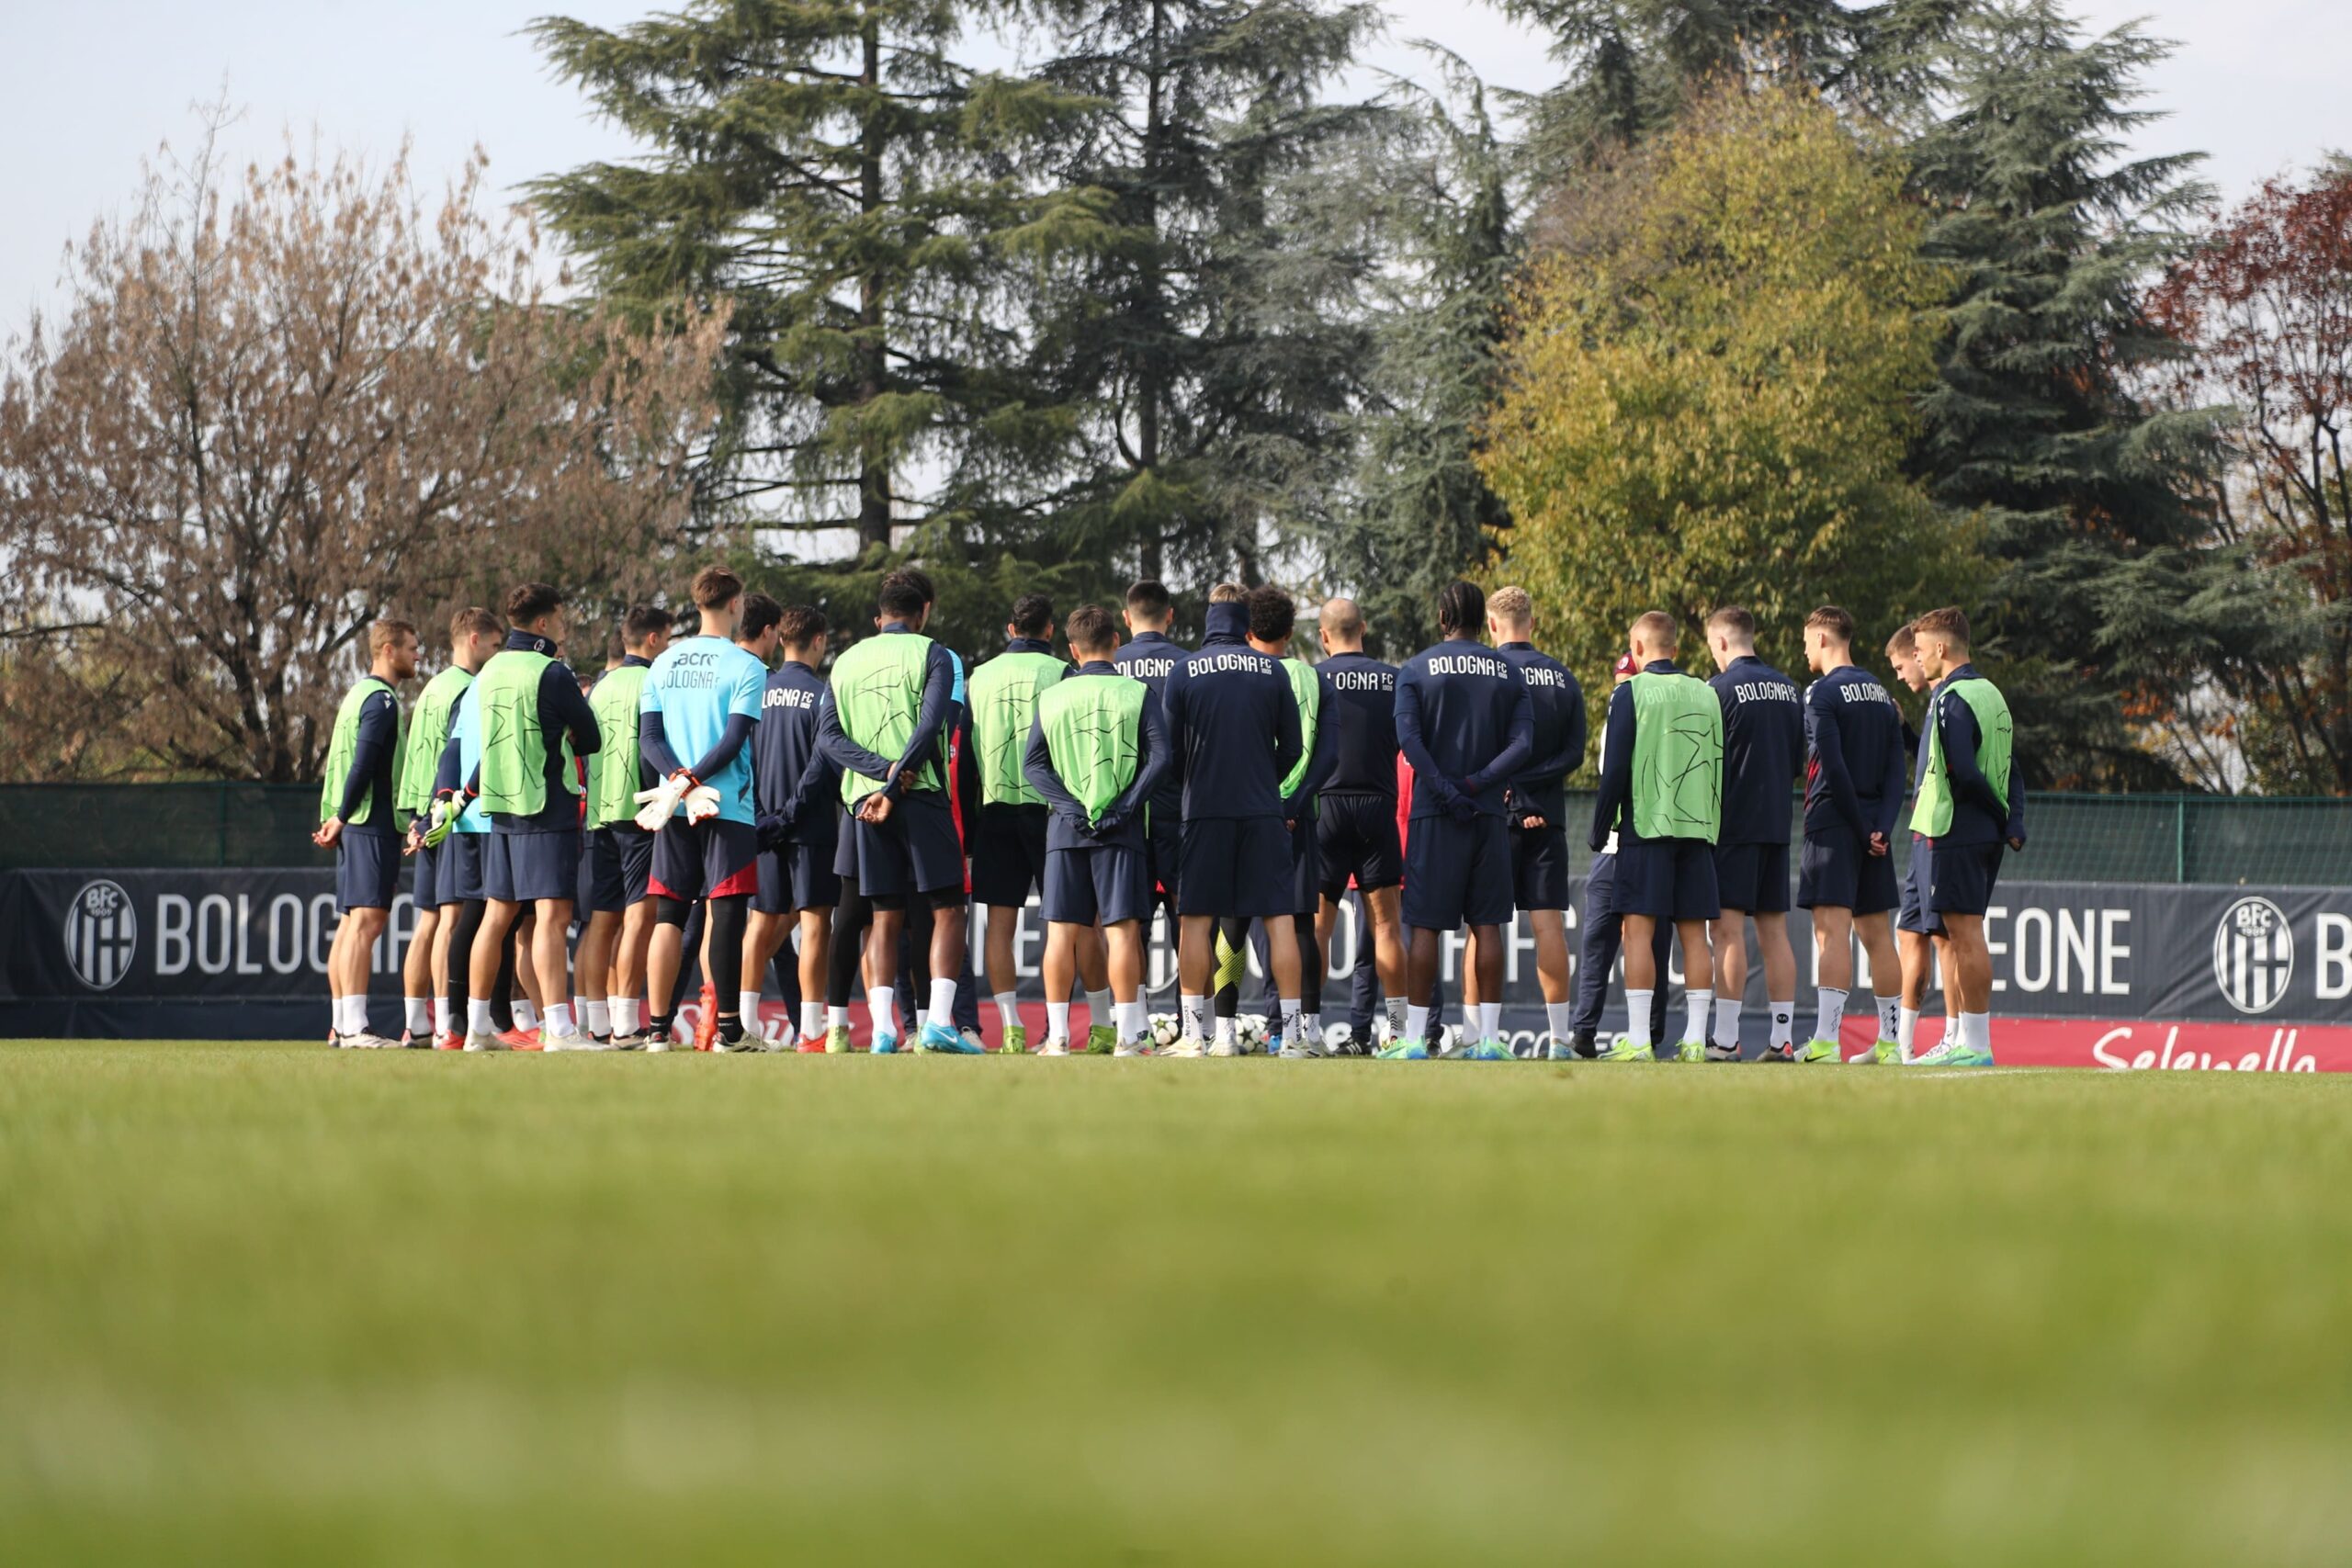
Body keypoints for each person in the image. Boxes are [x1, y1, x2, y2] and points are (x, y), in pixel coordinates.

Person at [819, 572, 977, 1053]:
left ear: (880, 616)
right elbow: (932, 726)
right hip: (920, 795)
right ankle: (939, 1023)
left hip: (865, 806)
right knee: (948, 909)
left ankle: (884, 1030)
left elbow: (827, 738)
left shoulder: (844, 661)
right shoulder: (935, 654)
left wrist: (877, 776)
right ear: (922, 612)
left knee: (884, 917)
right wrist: (895, 776)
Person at [1386, 581, 1533, 1061]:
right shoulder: (1509, 673)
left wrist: (1448, 789)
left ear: (1443, 619)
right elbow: (1522, 745)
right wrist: (1477, 785)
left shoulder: (1415, 668)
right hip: (1487, 812)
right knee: (1487, 925)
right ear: (1484, 621)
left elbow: (1409, 743)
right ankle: (1486, 1040)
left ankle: (1412, 1041)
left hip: (1434, 813)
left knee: (1425, 927)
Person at [455, 583, 602, 1051]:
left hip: (498, 806)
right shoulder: (552, 672)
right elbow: (591, 736)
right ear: (543, 624)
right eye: (559, 619)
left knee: (496, 917)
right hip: (546, 805)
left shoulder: (490, 670)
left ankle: (477, 1027)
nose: (562, 627)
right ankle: (559, 1029)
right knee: (552, 918)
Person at [1023, 604, 1172, 1055]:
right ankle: (1129, 1038)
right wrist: (1124, 807)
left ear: (1072, 649)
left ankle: (1059, 1038)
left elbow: (1033, 765)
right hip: (1121, 830)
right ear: (1116, 643)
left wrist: (1070, 809)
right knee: (1122, 931)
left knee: (1061, 934)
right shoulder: (1137, 691)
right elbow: (1161, 758)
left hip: (1066, 832)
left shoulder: (1052, 696)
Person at [1163, 584, 1302, 1056]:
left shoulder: (1184, 672)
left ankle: (1196, 1036)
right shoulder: (1272, 670)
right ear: (1245, 622)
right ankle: (1296, 1038)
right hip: (1263, 810)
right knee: (1280, 921)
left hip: (1204, 811)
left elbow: (1169, 749)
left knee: (1197, 923)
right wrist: (1266, 780)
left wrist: (1193, 783)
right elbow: (1295, 748)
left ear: (1208, 620)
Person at [633, 568, 768, 1049]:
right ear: (737, 604)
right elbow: (733, 741)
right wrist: (692, 783)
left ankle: (655, 1031)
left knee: (669, 914)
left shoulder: (662, 664)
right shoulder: (748, 666)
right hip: (725, 805)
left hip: (672, 806)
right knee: (726, 913)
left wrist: (677, 784)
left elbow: (649, 739)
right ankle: (729, 1029)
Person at [1589, 612, 1722, 1063]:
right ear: (1677, 650)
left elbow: (1617, 766)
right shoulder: (1707, 692)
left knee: (1638, 934)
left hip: (1647, 826)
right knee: (1695, 937)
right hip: (1698, 828)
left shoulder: (1631, 691)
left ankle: (1640, 1041)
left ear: (1638, 648)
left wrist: (1601, 824)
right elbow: (1717, 763)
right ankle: (1697, 1042)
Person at [967, 594, 1092, 1052]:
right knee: (1072, 922)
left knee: (1000, 926)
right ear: (1050, 630)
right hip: (1052, 810)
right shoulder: (1062, 672)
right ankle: (1079, 1025)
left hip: (994, 809)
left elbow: (964, 757)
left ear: (1009, 629)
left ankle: (1011, 1027)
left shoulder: (978, 677)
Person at [1905, 607, 2025, 1067]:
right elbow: (2013, 767)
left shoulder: (1951, 697)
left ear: (1941, 648)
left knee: (1965, 935)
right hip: (1983, 833)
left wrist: (1998, 810)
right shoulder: (1992, 694)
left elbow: (1963, 771)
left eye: (1919, 649)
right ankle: (1967, 1042)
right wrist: (2011, 820)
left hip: (1953, 827)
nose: (1917, 658)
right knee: (1963, 934)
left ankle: (1974, 1045)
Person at [1795, 605, 1908, 1065]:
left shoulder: (1822, 692)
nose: (1804, 649)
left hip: (1835, 823)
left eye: (1806, 640)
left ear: (1823, 638)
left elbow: (1833, 766)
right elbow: (1896, 767)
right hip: (1873, 827)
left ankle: (1825, 1041)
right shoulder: (1882, 694)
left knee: (1831, 932)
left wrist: (1862, 830)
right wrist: (1881, 826)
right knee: (1879, 935)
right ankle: (1890, 1044)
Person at [1487, 586, 1587, 1057]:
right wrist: (1533, 787)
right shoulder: (1564, 678)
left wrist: (1510, 786)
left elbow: (1482, 747)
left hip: (1496, 813)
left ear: (1492, 625)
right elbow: (1574, 753)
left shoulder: (1490, 674)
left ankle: (1480, 1036)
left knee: (1484, 927)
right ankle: (1560, 1039)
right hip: (1548, 817)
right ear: (1534, 622)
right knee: (1550, 928)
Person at [1701, 607, 1803, 1061]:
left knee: (1725, 932)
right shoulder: (1789, 689)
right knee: (1774, 933)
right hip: (1777, 826)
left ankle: (1725, 1039)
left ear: (1721, 643)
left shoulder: (1717, 690)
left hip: (1732, 826)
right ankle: (1782, 1039)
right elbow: (1799, 763)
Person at [397, 606, 500, 1048]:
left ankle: (416, 1023)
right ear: (474, 639)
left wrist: (416, 815)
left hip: (425, 809)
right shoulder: (469, 688)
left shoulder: (432, 687)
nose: (498, 654)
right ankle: (447, 1025)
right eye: (495, 644)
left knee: (428, 922)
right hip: (453, 814)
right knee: (452, 919)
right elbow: (455, 755)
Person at [312, 618, 418, 1048]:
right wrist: (343, 814)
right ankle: (355, 1026)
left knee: (351, 923)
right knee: (367, 923)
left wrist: (338, 815)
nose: (418, 655)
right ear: (388, 650)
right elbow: (364, 762)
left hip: (356, 822)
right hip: (370, 821)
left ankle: (341, 1024)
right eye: (412, 647)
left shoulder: (357, 694)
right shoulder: (382, 701)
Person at [1244, 585, 1337, 1056]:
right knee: (1300, 923)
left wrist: (1268, 802)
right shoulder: (1313, 677)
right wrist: (1297, 802)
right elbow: (1327, 752)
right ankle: (1308, 1028)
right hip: (1301, 815)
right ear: (1289, 629)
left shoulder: (1241, 675)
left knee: (1242, 925)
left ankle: (1258, 1026)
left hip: (1252, 813)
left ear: (1247, 629)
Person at [1310, 598, 1408, 1049]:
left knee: (1319, 924)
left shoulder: (1312, 677)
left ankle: (1305, 1029)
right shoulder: (1393, 678)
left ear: (1324, 636)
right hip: (1377, 805)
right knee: (1386, 926)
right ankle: (1399, 1032)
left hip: (1326, 805)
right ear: (1364, 629)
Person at [577, 604, 672, 1047]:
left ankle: (598, 1023)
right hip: (639, 812)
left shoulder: (599, 686)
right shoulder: (654, 681)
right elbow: (654, 746)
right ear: (653, 639)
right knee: (639, 917)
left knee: (601, 921)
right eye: (668, 638)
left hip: (599, 813)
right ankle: (625, 1024)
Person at [1568, 653, 1670, 1056]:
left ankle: (1648, 1034)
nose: (1620, 686)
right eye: (1619, 679)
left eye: (1627, 678)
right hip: (1626, 846)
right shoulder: (1625, 718)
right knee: (1601, 944)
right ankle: (1585, 1033)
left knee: (1647, 943)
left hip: (1630, 842)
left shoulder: (1639, 714)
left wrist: (1599, 829)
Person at [750, 604, 840, 1054]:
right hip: (810, 826)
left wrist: (766, 815)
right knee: (814, 926)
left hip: (765, 827)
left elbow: (745, 758)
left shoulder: (759, 691)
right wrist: (790, 814)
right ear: (819, 641)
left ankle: (737, 1024)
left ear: (782, 639)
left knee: (760, 925)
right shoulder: (823, 695)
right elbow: (821, 764)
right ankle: (810, 1032)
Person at [1886, 622, 1954, 1058]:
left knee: (1946, 935)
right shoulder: (1933, 701)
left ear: (1919, 654)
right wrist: (1905, 731)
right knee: (1909, 932)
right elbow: (1929, 752)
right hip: (1920, 834)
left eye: (1898, 666)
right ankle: (1901, 1046)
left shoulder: (1951, 697)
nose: (1898, 675)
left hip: (1941, 832)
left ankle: (1957, 1037)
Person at [1111, 580, 1187, 960]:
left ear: (1126, 618)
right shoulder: (1191, 666)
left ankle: (1131, 1017)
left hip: (1124, 805)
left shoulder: (1111, 665)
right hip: (1179, 804)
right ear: (1169, 616)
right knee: (1188, 918)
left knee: (1128, 924)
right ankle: (1190, 1018)